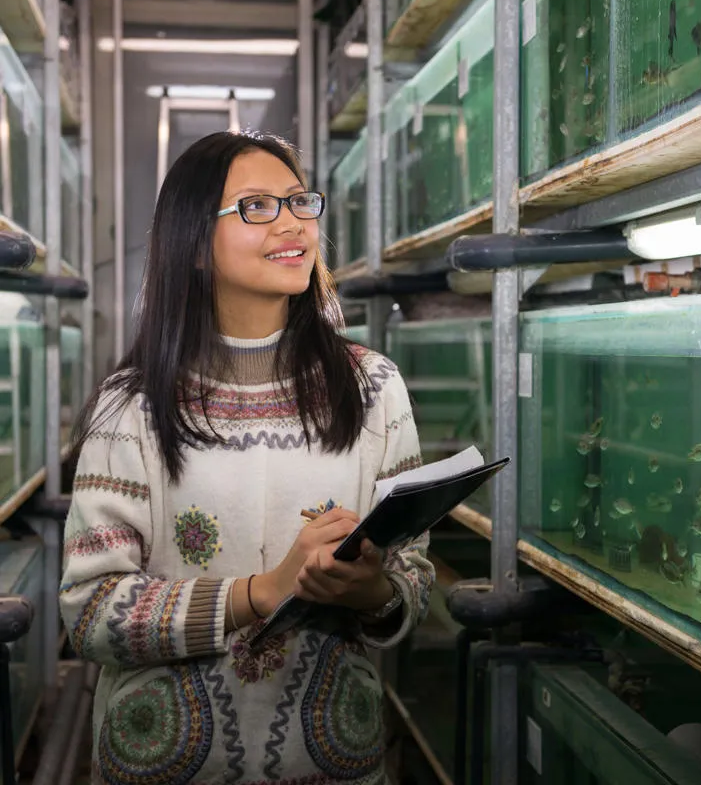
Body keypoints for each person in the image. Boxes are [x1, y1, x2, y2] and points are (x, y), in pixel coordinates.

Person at [59, 131, 434, 785]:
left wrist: (375, 589)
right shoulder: (133, 404)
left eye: (297, 201)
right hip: (164, 761)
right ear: (195, 243)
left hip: (334, 759)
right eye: (257, 206)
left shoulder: (372, 386)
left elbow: (413, 575)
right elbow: (92, 611)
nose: (292, 223)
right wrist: (261, 593)